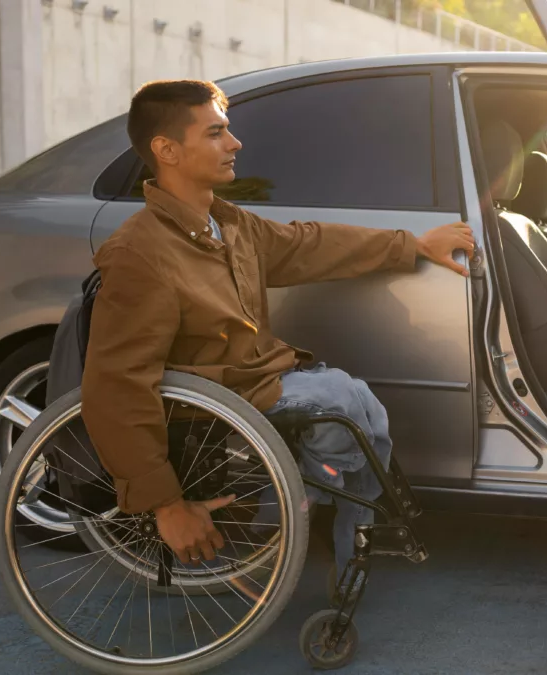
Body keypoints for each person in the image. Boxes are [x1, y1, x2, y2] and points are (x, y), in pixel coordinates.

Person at [79, 79, 474, 581]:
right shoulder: (140, 252)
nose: (235, 144)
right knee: (339, 401)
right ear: (167, 150)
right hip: (219, 392)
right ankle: (294, 517)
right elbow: (116, 385)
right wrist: (165, 504)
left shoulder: (226, 224)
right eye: (216, 133)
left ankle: (343, 529)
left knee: (361, 406)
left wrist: (412, 245)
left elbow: (308, 245)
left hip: (257, 379)